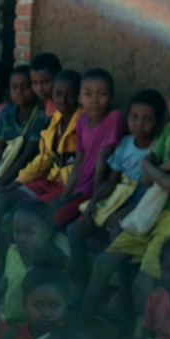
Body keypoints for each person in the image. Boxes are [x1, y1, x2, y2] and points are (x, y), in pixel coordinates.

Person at [83, 73, 170, 320]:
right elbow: (146, 179)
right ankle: (83, 321)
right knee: (103, 263)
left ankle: (141, 338)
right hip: (152, 209)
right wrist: (167, 166)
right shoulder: (169, 130)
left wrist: (153, 165)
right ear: (169, 104)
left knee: (144, 283)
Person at [69, 88, 165, 286]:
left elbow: (151, 195)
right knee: (74, 230)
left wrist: (122, 213)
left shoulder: (158, 149)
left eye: (148, 119)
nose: (139, 124)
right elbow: (112, 180)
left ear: (158, 122)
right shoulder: (125, 144)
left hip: (141, 204)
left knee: (116, 232)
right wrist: (94, 201)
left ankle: (121, 290)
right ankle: (81, 280)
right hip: (119, 197)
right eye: (134, 117)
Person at [59, 69, 125, 227]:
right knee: (52, 210)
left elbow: (102, 163)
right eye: (88, 94)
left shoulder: (114, 118)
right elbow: (79, 160)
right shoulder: (81, 120)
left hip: (98, 189)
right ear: (80, 98)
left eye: (102, 94)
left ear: (111, 97)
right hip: (80, 186)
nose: (94, 100)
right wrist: (65, 194)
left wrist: (94, 201)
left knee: (61, 222)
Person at [11, 69, 82, 206]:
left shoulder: (84, 124)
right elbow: (44, 158)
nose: (63, 100)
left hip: (70, 187)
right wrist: (19, 180)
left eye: (70, 95)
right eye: (58, 94)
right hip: (50, 180)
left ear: (79, 97)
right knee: (3, 199)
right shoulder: (54, 121)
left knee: (25, 211)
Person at [0, 200, 67, 326]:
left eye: (29, 232)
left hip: (38, 326)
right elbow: (7, 278)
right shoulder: (13, 253)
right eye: (17, 231)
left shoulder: (53, 264)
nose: (21, 238)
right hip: (9, 320)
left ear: (47, 233)